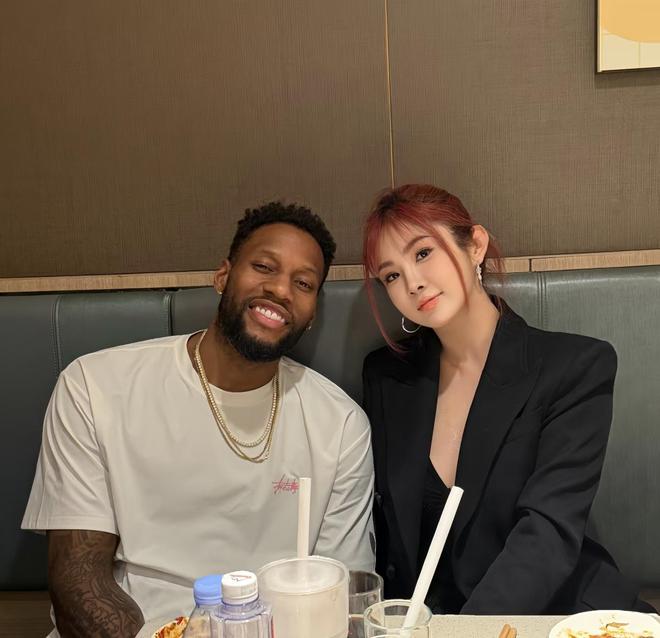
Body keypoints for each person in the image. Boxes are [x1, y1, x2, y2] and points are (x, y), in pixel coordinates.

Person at [22, 202, 375, 637]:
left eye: (303, 283)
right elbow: (79, 582)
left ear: (312, 311)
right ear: (223, 276)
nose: (281, 289)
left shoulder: (341, 426)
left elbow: (339, 599)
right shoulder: (94, 386)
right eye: (264, 267)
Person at [361, 184, 654, 614]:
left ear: (475, 246)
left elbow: (547, 534)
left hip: (558, 616)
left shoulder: (573, 367)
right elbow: (389, 535)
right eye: (391, 275)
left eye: (423, 253)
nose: (413, 283)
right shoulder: (386, 378)